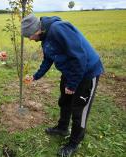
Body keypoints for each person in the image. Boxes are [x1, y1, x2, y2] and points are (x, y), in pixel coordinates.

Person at [22, 14, 104, 156]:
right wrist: (35, 77)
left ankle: (74, 142)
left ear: (36, 30)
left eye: (29, 36)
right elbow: (48, 60)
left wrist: (72, 85)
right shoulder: (46, 37)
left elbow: (80, 57)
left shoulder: (58, 29)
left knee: (79, 110)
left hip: (87, 72)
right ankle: (62, 128)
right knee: (64, 101)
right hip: (70, 72)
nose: (30, 39)